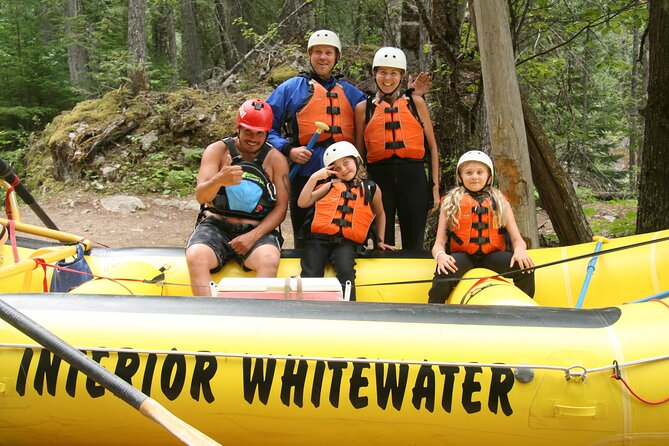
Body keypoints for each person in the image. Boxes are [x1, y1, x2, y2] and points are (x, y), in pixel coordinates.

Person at [267, 31, 430, 248]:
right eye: (317, 52)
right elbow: (265, 128)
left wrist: (413, 95)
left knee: (345, 236)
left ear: (336, 57)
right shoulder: (289, 89)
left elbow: (384, 106)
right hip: (307, 174)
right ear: (310, 55)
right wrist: (289, 149)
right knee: (305, 238)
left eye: (328, 52)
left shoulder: (351, 94)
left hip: (344, 178)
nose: (322, 57)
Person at [186, 98, 289, 296]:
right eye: (248, 131)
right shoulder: (217, 150)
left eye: (260, 133)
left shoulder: (276, 159)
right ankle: (210, 315)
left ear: (267, 133)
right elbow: (201, 196)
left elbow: (281, 208)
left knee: (269, 260)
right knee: (196, 257)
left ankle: (254, 318)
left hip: (257, 228)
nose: (253, 138)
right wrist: (218, 180)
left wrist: (253, 236)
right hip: (216, 225)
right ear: (238, 127)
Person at [354, 47, 440, 252]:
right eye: (382, 72)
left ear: (401, 76)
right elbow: (358, 154)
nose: (387, 78)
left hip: (414, 178)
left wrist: (434, 189)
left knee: (414, 242)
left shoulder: (416, 103)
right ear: (374, 74)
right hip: (378, 179)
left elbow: (433, 148)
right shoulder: (362, 109)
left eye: (393, 73)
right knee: (382, 243)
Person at [427, 150, 535, 303]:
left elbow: (517, 240)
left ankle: (523, 310)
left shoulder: (500, 202)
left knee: (526, 269)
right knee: (444, 271)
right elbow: (438, 244)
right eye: (469, 173)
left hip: (492, 257)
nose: (474, 177)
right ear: (460, 176)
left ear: (489, 176)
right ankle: (433, 310)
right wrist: (441, 256)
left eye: (480, 172)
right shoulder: (450, 202)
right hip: (464, 257)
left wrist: (519, 251)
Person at [298, 141, 396, 301]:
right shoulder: (329, 185)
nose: (343, 169)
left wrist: (380, 241)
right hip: (318, 241)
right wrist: (315, 177)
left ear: (356, 160)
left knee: (346, 271)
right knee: (311, 272)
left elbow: (380, 213)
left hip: (346, 243)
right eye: (336, 168)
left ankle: (348, 309)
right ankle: (307, 310)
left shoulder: (371, 188)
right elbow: (302, 202)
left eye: (346, 163)